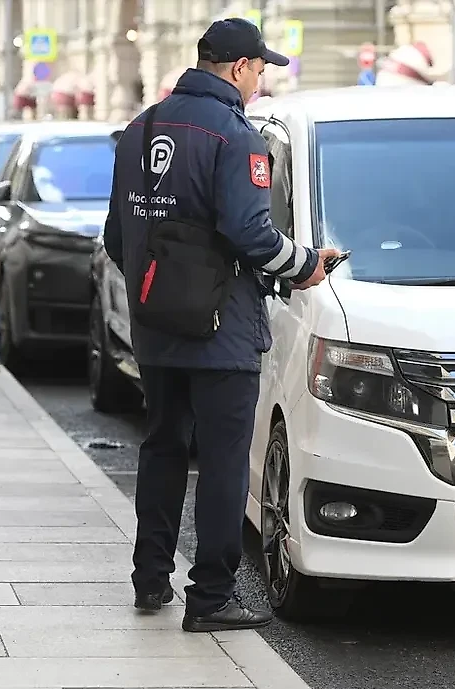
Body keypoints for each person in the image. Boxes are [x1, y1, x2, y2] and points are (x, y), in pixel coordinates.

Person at [104, 18, 339, 631]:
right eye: (260, 71)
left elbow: (114, 237)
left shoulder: (139, 129)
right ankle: (211, 596)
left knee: (161, 447)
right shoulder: (237, 138)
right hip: (221, 330)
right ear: (238, 68)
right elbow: (251, 235)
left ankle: (150, 579)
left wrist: (157, 286)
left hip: (155, 326)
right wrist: (306, 266)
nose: (259, 84)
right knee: (225, 460)